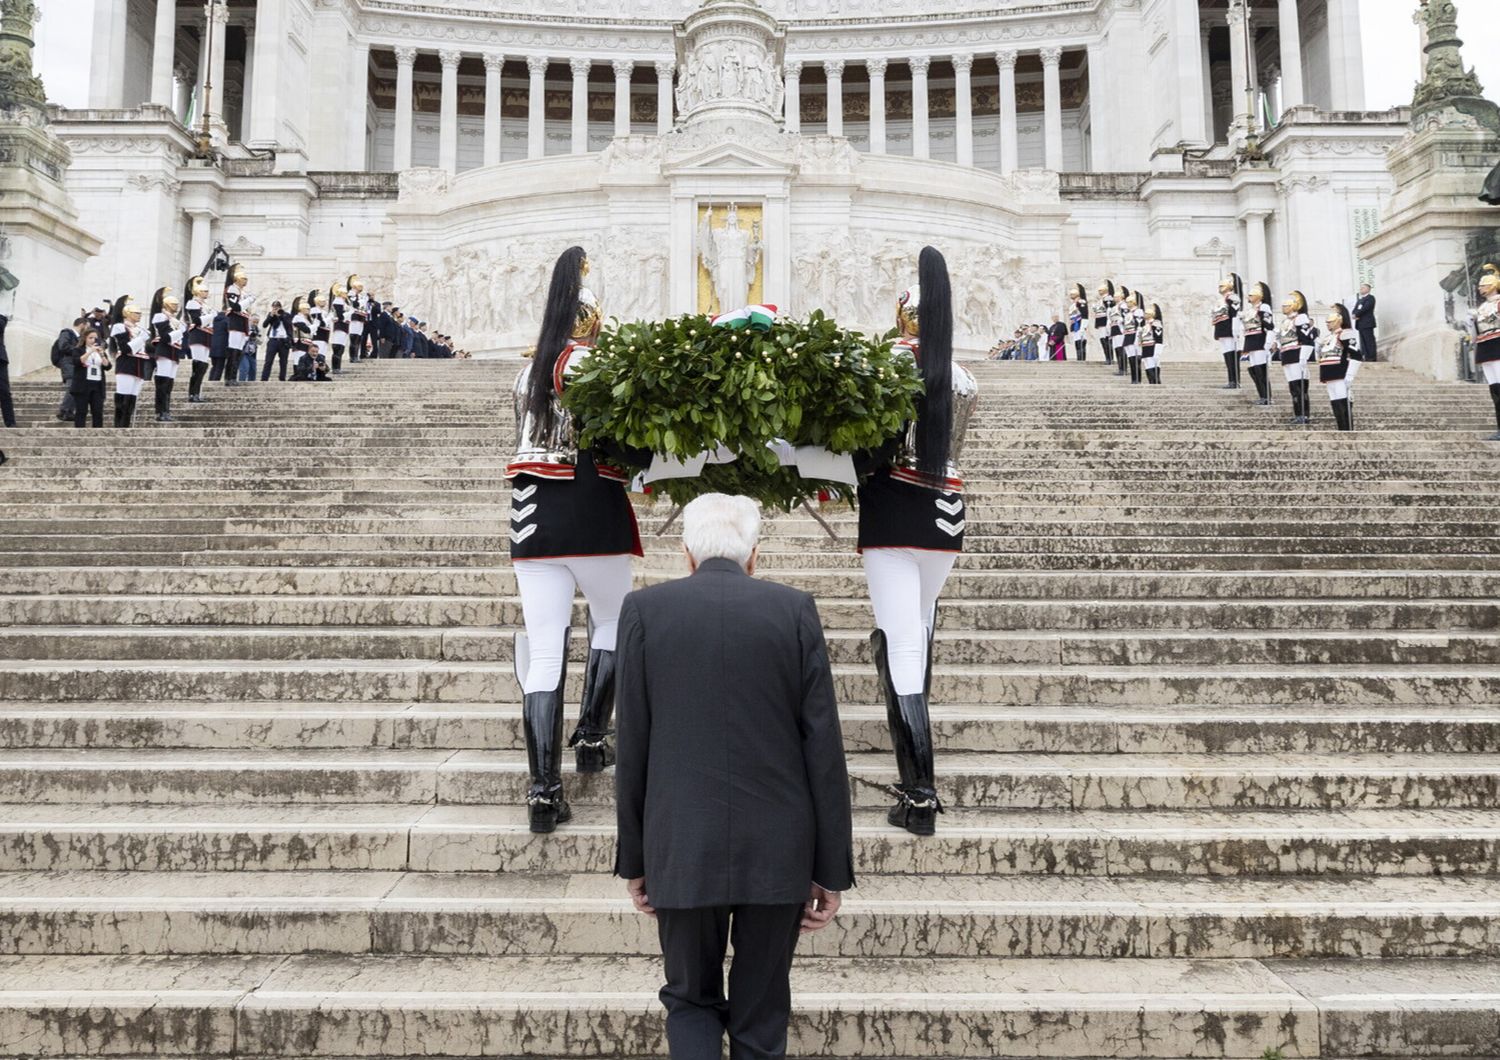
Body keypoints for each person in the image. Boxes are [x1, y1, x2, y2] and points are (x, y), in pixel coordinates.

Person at [614, 493, 854, 1060]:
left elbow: (634, 744)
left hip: (682, 840)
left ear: (686, 554)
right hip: (777, 845)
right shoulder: (793, 610)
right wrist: (831, 868)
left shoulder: (644, 612)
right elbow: (823, 747)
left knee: (691, 1000)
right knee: (763, 1006)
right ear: (754, 555)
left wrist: (636, 859)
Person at [506, 246, 642, 834]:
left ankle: (543, 790)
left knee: (543, 651)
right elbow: (624, 445)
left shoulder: (526, 371)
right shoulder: (590, 368)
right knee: (610, 625)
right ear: (591, 321)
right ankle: (590, 735)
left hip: (533, 519)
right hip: (593, 516)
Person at [856, 245, 977, 837]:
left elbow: (870, 448)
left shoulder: (888, 365)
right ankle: (916, 779)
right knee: (921, 629)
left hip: (894, 514)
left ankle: (921, 792)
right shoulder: (962, 375)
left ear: (905, 317)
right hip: (946, 514)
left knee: (902, 643)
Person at [1276, 290, 1318, 426]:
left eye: (1286, 305)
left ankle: (1304, 414)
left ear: (1293, 306)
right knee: (1293, 387)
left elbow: (1307, 339)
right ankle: (1297, 413)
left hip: (1296, 354)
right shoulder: (1285, 321)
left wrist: (1303, 358)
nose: (1283, 308)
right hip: (1287, 355)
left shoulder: (1300, 318)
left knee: (1300, 387)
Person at [109, 294, 151, 428]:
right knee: (123, 397)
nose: (139, 315)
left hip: (139, 365)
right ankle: (119, 425)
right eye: (136, 313)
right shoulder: (119, 327)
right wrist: (141, 339)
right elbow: (125, 348)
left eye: (140, 313)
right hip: (126, 364)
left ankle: (126, 425)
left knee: (132, 398)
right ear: (127, 313)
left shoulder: (140, 329)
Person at [1319, 302, 1359, 432]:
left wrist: (1350, 375)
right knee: (1335, 404)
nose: (1329, 322)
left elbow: (1356, 355)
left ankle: (1347, 430)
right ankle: (1341, 429)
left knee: (1343, 403)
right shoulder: (1329, 337)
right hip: (1329, 374)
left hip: (1340, 373)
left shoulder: (1346, 333)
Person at [1472, 264, 1500, 440]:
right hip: (1485, 346)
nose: (1480, 288)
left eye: (1484, 285)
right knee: (1494, 388)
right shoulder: (1482, 307)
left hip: (1498, 343)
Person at [148, 286, 184, 422]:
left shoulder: (174, 319)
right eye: (174, 304)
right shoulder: (160, 316)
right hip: (164, 351)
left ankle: (166, 410)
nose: (176, 306)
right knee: (162, 382)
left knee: (169, 383)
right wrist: (181, 330)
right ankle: (160, 411)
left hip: (174, 352)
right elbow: (166, 336)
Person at [1242, 282, 1276, 407]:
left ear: (1259, 296)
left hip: (1259, 339)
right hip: (1250, 340)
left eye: (1251, 295)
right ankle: (1262, 395)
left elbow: (1269, 326)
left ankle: (1267, 396)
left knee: (1261, 369)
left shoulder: (1264, 307)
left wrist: (1268, 343)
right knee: (1254, 369)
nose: (1249, 297)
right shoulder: (1251, 310)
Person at [71, 328, 111, 428]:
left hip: (97, 383)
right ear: (85, 338)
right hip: (83, 384)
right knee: (81, 411)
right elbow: (77, 362)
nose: (93, 340)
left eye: (95, 338)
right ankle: (79, 432)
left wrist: (101, 354)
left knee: (98, 411)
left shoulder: (100, 351)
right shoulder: (78, 350)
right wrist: (90, 351)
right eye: (90, 338)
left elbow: (107, 366)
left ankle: (97, 432)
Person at [183, 276, 213, 403]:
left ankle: (197, 393)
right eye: (204, 291)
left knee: (203, 365)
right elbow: (196, 320)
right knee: (198, 365)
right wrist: (212, 315)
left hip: (207, 335)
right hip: (198, 335)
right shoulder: (193, 303)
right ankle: (192, 393)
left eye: (206, 291)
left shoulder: (204, 304)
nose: (206, 293)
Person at [221, 262, 252, 386]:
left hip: (243, 321)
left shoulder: (242, 292)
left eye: (246, 279)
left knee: (239, 350)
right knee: (233, 349)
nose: (246, 281)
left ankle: (233, 376)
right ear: (236, 279)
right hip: (235, 320)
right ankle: (229, 377)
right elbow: (235, 307)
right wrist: (249, 300)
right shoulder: (232, 289)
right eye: (243, 279)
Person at [52, 318, 83, 422]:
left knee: (76, 388)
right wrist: (78, 351)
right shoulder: (67, 333)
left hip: (73, 364)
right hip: (68, 364)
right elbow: (63, 346)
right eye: (86, 326)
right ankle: (64, 410)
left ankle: (69, 412)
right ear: (82, 325)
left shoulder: (78, 337)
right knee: (72, 387)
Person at [261, 301, 292, 381]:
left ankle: (282, 378)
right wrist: (271, 316)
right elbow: (264, 325)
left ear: (281, 307)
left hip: (284, 341)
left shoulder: (286, 315)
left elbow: (289, 325)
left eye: (277, 307)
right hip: (273, 340)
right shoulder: (271, 315)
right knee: (268, 361)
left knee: (283, 362)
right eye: (274, 307)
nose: (276, 308)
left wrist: (280, 316)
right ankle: (264, 379)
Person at [1122, 291, 1145, 384]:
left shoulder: (1138, 311)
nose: (1127, 304)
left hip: (1134, 335)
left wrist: (1138, 338)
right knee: (1131, 358)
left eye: (1128, 302)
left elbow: (1139, 325)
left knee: (1136, 359)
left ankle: (1138, 379)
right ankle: (1133, 378)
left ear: (1133, 302)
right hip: (1128, 335)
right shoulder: (1128, 313)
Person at [329, 280, 350, 371]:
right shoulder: (338, 301)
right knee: (337, 347)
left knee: (341, 347)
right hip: (340, 326)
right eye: (344, 293)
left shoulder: (343, 302)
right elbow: (340, 315)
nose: (346, 294)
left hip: (344, 326)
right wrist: (348, 314)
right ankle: (335, 367)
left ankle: (338, 367)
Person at [1353, 283, 1377, 362]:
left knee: (1369, 341)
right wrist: (1354, 314)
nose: (1361, 289)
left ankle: (1371, 357)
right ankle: (1365, 356)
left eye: (1362, 288)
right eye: (1360, 288)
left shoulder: (1370, 298)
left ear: (1368, 289)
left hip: (1367, 323)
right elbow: (1355, 309)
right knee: (1363, 341)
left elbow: (1366, 308)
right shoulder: (1360, 300)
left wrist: (1357, 314)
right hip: (1360, 324)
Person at [1141, 303, 1164, 384]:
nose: (1144, 315)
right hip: (1145, 346)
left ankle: (1155, 381)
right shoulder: (1145, 325)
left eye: (1146, 313)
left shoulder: (1156, 323)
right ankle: (1151, 381)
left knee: (1153, 364)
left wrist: (1158, 348)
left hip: (1152, 347)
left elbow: (1158, 337)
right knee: (1147, 365)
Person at [1095, 280, 1115, 365]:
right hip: (1100, 321)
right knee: (1102, 339)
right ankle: (1107, 357)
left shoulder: (1108, 298)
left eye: (1101, 290)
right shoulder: (1101, 300)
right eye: (1099, 290)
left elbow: (1109, 310)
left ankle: (1110, 358)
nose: (1099, 292)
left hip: (1105, 321)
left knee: (1106, 340)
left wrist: (1108, 321)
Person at [1067, 283, 1089, 361]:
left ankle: (1082, 359)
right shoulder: (1072, 305)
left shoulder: (1081, 302)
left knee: (1081, 343)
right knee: (1077, 342)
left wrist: (1083, 327)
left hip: (1080, 324)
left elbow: (1085, 315)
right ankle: (1079, 358)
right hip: (1075, 325)